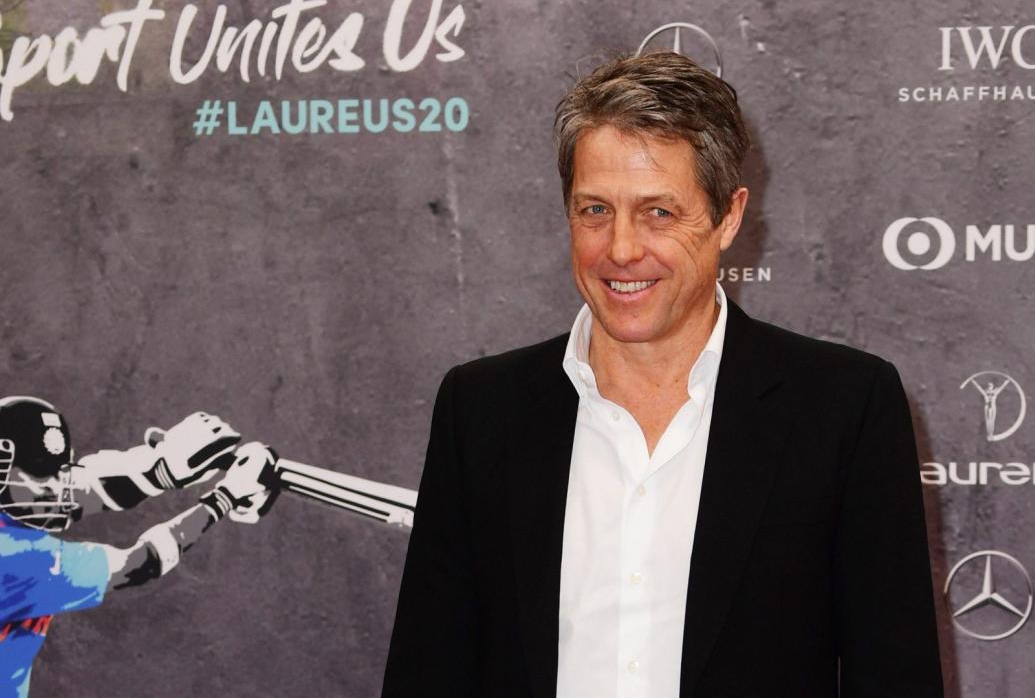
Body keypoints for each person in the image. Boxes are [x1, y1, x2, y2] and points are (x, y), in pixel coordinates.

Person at [383, 51, 943, 697]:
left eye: (658, 213)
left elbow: (897, 678)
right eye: (595, 210)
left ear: (728, 216)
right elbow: (427, 672)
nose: (621, 248)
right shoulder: (481, 410)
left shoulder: (843, 408)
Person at [0, 396, 280, 696]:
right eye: (40, 474)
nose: (53, 488)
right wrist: (224, 498)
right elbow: (138, 565)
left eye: (57, 472)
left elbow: (84, 487)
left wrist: (162, 469)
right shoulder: (8, 559)